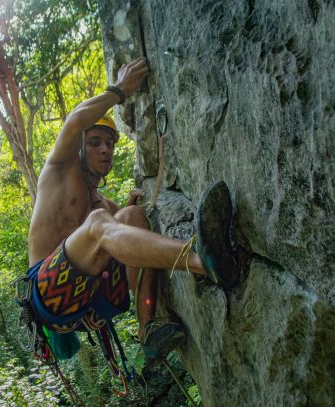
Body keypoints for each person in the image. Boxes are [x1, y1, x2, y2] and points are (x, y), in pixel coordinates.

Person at [27, 56, 240, 365]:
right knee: (100, 222)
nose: (105, 149)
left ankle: (148, 328)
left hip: (89, 303)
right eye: (95, 142)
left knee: (133, 217)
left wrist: (126, 214)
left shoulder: (104, 205)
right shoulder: (58, 171)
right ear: (79, 147)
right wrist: (119, 90)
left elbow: (122, 235)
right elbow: (75, 122)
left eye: (110, 144)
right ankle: (201, 260)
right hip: (48, 295)